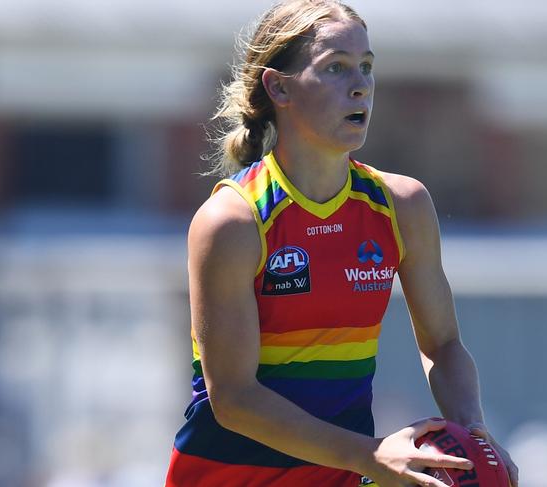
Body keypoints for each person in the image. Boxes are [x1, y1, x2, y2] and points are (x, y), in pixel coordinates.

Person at [165, 1, 518, 486]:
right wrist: (371, 456)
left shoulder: (401, 205)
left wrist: (475, 437)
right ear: (279, 87)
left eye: (366, 67)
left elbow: (443, 344)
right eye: (335, 67)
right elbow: (234, 399)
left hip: (341, 474)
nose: (360, 86)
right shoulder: (233, 221)